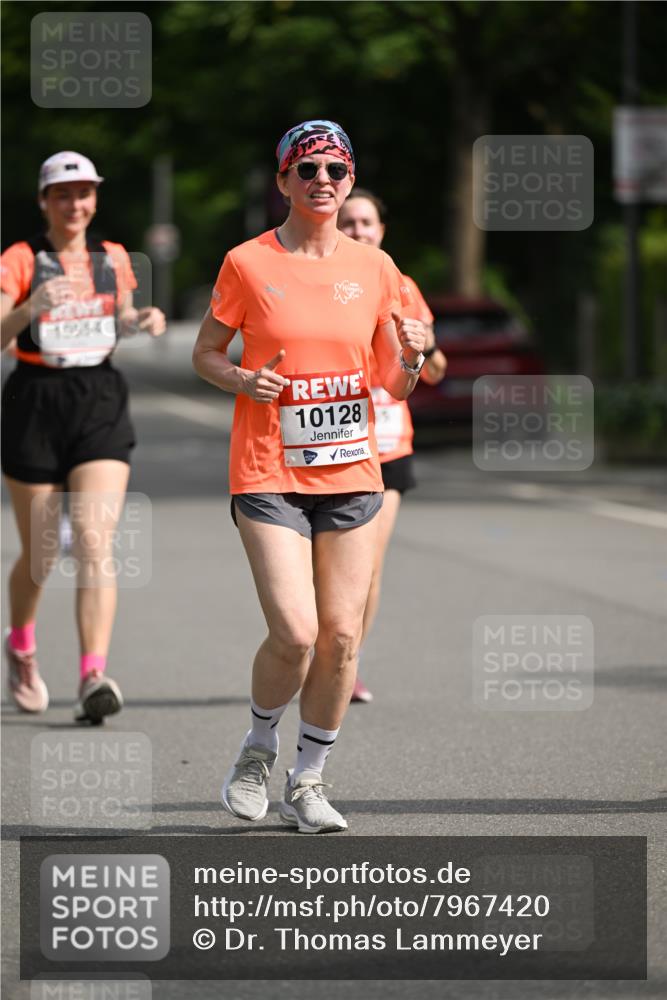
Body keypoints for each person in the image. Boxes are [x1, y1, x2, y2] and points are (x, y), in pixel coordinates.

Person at [192, 120, 426, 833]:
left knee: (342, 639)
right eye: (307, 169)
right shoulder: (247, 262)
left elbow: (389, 383)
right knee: (295, 632)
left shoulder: (376, 268)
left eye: (334, 169)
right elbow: (205, 351)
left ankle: (309, 779)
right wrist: (240, 379)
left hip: (353, 470)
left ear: (349, 180)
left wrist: (412, 358)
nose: (321, 180)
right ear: (283, 182)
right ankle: (258, 748)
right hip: (267, 468)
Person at [1, 151, 166, 722]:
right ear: (44, 201)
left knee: (96, 540)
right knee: (42, 553)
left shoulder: (112, 257)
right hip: (35, 400)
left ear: (95, 199)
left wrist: (141, 319)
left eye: (85, 193)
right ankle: (21, 644)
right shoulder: (22, 258)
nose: (76, 204)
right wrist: (26, 310)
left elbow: (119, 313)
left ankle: (93, 673)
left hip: (98, 397)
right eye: (64, 194)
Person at [338, 189, 447, 703]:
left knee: (370, 565)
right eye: (350, 222)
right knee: (330, 567)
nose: (359, 230)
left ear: (382, 230)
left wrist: (422, 349)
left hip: (388, 444)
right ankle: (320, 646)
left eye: (367, 222)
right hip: (335, 443)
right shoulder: (323, 282)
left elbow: (436, 367)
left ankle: (345, 662)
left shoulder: (403, 286)